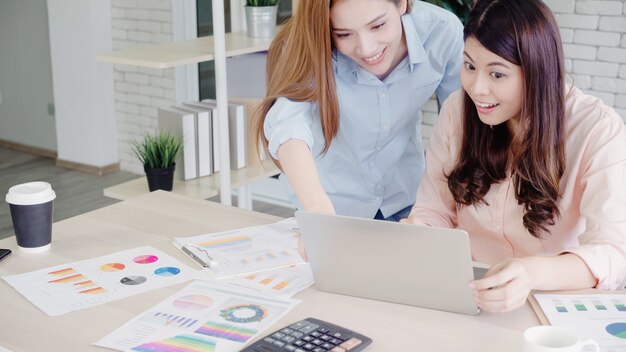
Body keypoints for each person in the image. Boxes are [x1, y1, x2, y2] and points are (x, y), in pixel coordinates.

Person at [403, 0, 626, 313]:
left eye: (497, 74)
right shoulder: (457, 111)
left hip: (552, 303)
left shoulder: (597, 130)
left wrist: (530, 273)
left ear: (538, 71)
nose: (477, 88)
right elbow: (434, 209)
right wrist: (417, 230)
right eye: (469, 66)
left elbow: (614, 253)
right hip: (470, 298)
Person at [253, 0, 464, 220]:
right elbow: (288, 125)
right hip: (330, 206)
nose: (367, 48)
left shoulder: (440, 32)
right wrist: (317, 209)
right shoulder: (304, 44)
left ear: (402, 3)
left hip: (408, 201)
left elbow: (463, 122)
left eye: (378, 26)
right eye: (344, 34)